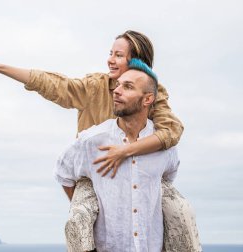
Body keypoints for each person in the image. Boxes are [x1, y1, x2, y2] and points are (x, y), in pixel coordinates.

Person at [0, 30, 201, 252]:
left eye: (118, 55)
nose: (110, 60)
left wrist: (127, 151)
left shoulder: (152, 92)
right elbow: (52, 84)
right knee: (79, 218)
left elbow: (171, 131)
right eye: (110, 53)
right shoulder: (95, 87)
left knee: (180, 210)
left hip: (136, 171)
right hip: (94, 174)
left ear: (137, 62)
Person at [55, 64, 178, 251]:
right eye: (118, 85)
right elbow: (64, 173)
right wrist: (87, 209)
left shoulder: (164, 147)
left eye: (127, 87)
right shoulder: (92, 141)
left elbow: (167, 179)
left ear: (148, 99)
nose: (116, 91)